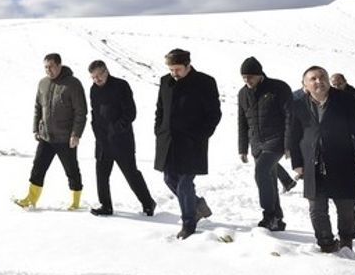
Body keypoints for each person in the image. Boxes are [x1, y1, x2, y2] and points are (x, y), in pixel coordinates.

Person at [290, 66, 355, 252]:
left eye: (322, 77)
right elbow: (293, 134)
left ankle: (345, 242)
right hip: (313, 163)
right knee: (316, 209)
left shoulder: (345, 99)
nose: (318, 81)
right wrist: (297, 162)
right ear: (305, 84)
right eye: (313, 79)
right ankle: (326, 244)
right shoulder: (298, 103)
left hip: (342, 160)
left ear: (328, 80)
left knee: (346, 207)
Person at [154, 48, 222, 239]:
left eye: (177, 69)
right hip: (168, 141)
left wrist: (201, 135)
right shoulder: (164, 82)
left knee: (184, 184)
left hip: (192, 142)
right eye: (171, 69)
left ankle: (188, 223)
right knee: (169, 179)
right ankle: (198, 205)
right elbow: (159, 109)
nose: (174, 73)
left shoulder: (205, 82)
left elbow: (214, 114)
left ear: (188, 65)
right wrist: (159, 131)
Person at [15, 53, 88, 210]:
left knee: (71, 170)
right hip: (46, 137)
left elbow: (81, 112)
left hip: (66, 138)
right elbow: (37, 107)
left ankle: (75, 201)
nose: (48, 70)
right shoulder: (43, 83)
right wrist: (36, 128)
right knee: (38, 168)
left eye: (51, 66)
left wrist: (76, 134)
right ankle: (30, 199)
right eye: (46, 67)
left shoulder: (73, 84)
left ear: (59, 65)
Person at [87, 60, 156, 216]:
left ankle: (148, 203)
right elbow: (94, 113)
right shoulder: (94, 90)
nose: (96, 80)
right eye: (93, 77)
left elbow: (130, 112)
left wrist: (115, 129)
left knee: (131, 174)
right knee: (101, 175)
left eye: (99, 76)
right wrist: (96, 130)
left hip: (122, 141)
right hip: (102, 141)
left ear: (106, 71)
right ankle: (106, 206)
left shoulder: (121, 85)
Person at [237, 57, 293, 231]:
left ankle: (268, 215)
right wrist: (242, 148)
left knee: (261, 172)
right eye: (244, 77)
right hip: (256, 143)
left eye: (251, 76)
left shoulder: (278, 88)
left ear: (260, 74)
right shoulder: (242, 93)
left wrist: (288, 143)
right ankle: (277, 219)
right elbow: (242, 122)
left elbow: (290, 117)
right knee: (268, 179)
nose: (247, 80)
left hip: (276, 139)